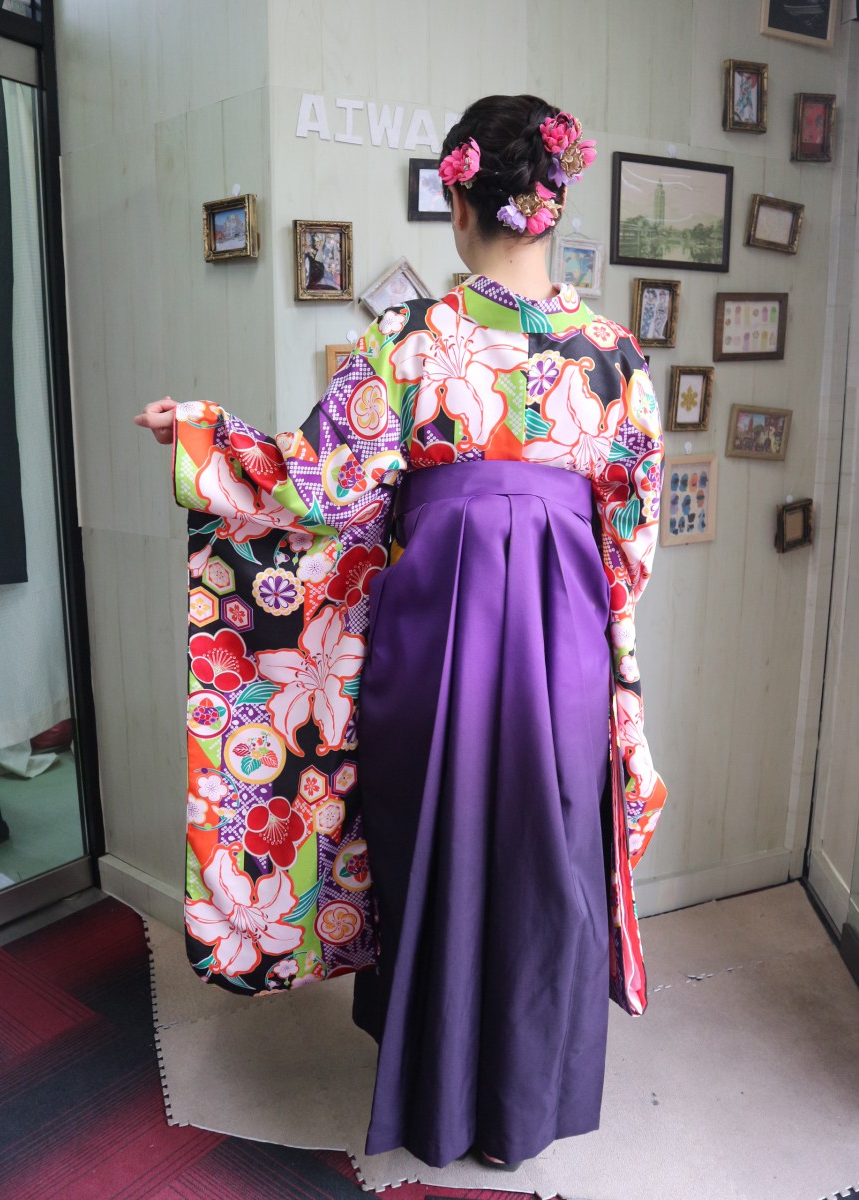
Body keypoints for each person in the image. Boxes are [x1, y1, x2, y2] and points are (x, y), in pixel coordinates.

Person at [135, 94, 667, 1176]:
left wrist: (204, 438)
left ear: (461, 206)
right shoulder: (613, 356)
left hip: (433, 638)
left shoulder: (409, 339)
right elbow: (632, 537)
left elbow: (321, 484)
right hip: (564, 640)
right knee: (548, 856)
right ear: (552, 203)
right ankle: (527, 1108)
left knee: (434, 845)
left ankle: (435, 1096)